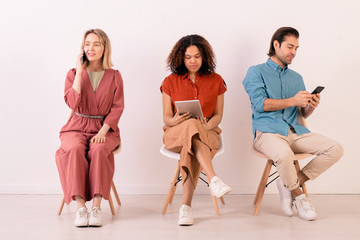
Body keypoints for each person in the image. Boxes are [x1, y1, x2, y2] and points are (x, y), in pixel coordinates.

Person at [243, 27, 343, 221]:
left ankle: (288, 184)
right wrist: (292, 100)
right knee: (283, 154)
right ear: (276, 44)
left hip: (295, 131)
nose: (294, 52)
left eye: (297, 48)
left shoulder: (296, 78)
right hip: (267, 133)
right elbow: (259, 104)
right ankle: (299, 196)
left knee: (335, 148)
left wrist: (309, 108)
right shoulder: (256, 72)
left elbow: (300, 111)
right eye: (290, 47)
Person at [160, 34, 232, 226]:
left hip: (207, 132)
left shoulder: (216, 80)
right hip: (175, 132)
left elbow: (218, 115)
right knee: (191, 127)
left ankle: (186, 207)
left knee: (190, 145)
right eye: (188, 57)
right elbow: (166, 117)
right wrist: (174, 120)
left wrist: (203, 127)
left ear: (204, 57)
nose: (193, 61)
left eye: (197, 56)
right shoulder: (170, 81)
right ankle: (213, 179)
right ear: (180, 58)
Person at [55, 29, 124, 227]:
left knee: (100, 149)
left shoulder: (115, 76)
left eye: (96, 44)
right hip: (75, 126)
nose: (91, 48)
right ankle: (80, 209)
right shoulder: (73, 73)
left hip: (104, 128)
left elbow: (118, 107)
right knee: (75, 149)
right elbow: (72, 103)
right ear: (82, 47)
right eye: (87, 44)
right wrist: (80, 70)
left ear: (104, 48)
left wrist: (103, 131)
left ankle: (96, 207)